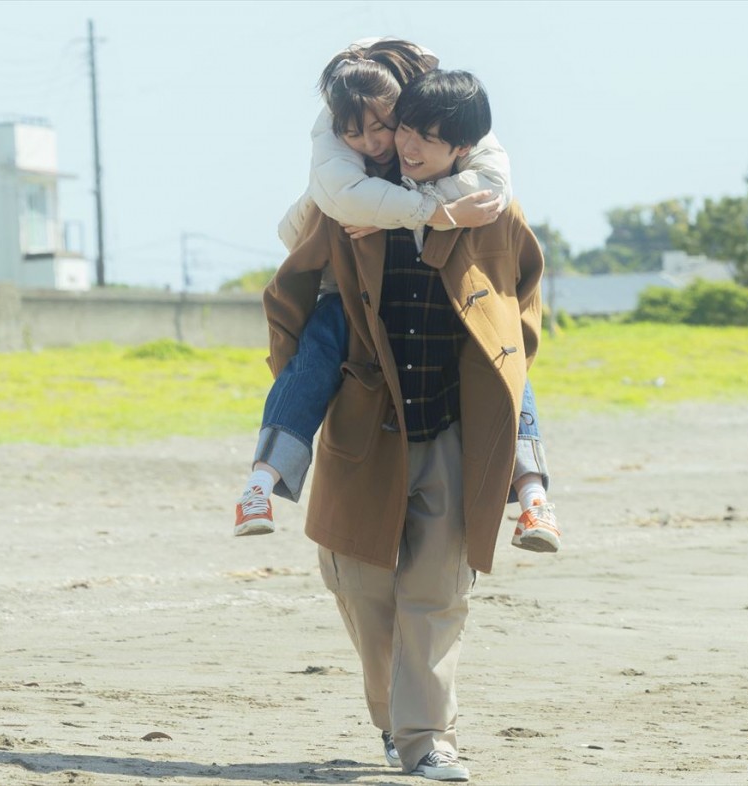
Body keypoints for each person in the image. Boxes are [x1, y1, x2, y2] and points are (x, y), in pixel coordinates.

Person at [262, 67, 545, 782]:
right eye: (405, 129)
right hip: (365, 426)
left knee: (437, 593)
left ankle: (427, 739)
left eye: (428, 137)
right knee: (359, 583)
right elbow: (292, 275)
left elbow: (517, 305)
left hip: (452, 428)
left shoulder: (493, 208)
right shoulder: (354, 203)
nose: (407, 146)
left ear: (463, 149)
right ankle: (395, 719)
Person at [234, 39, 560, 557]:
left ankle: (534, 495)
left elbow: (495, 190)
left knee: (500, 350)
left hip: (448, 312)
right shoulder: (335, 148)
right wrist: (403, 212)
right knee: (315, 355)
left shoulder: (455, 134)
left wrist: (405, 211)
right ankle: (261, 481)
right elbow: (318, 219)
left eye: (386, 125)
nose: (375, 142)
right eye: (355, 131)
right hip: (344, 292)